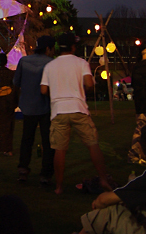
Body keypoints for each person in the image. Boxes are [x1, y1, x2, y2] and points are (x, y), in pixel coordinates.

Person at [40, 32, 110, 195]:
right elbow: (89, 83)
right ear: (73, 47)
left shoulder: (50, 66)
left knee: (59, 149)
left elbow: (43, 89)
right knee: (92, 143)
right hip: (78, 108)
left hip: (58, 110)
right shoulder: (81, 63)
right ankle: (103, 179)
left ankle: (59, 186)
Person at [13, 35, 56, 183]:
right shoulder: (51, 63)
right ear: (48, 48)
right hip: (46, 106)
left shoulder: (24, 61)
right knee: (48, 141)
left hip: (28, 106)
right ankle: (45, 174)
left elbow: (16, 81)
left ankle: (23, 170)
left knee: (27, 139)